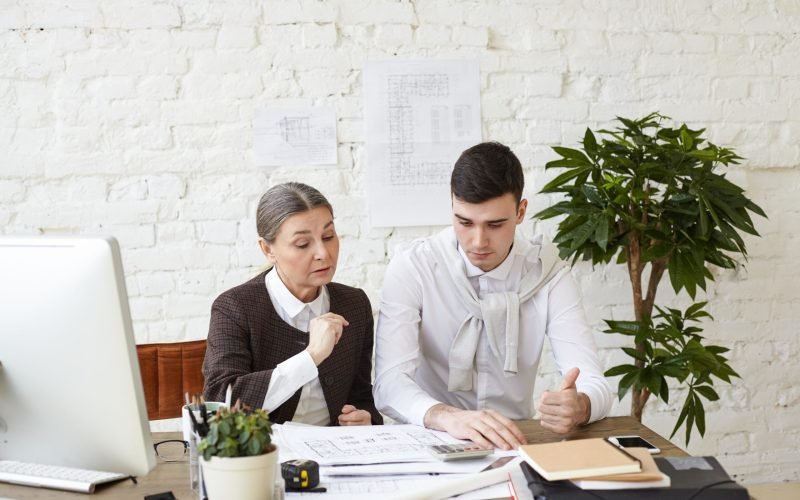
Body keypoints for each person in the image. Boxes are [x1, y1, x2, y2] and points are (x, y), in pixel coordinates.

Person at [374, 142, 612, 449]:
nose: (478, 241)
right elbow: (389, 385)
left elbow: (596, 384)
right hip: (430, 439)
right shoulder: (414, 267)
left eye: (495, 224)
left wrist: (581, 405)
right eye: (465, 222)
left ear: (521, 212)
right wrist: (449, 417)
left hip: (514, 442)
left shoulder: (549, 273)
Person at [203, 182, 383, 426]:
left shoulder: (354, 304)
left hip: (337, 455)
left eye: (328, 236)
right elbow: (221, 403)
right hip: (267, 457)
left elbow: (362, 396)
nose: (323, 252)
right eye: (302, 244)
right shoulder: (234, 308)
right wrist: (311, 356)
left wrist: (366, 418)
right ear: (267, 249)